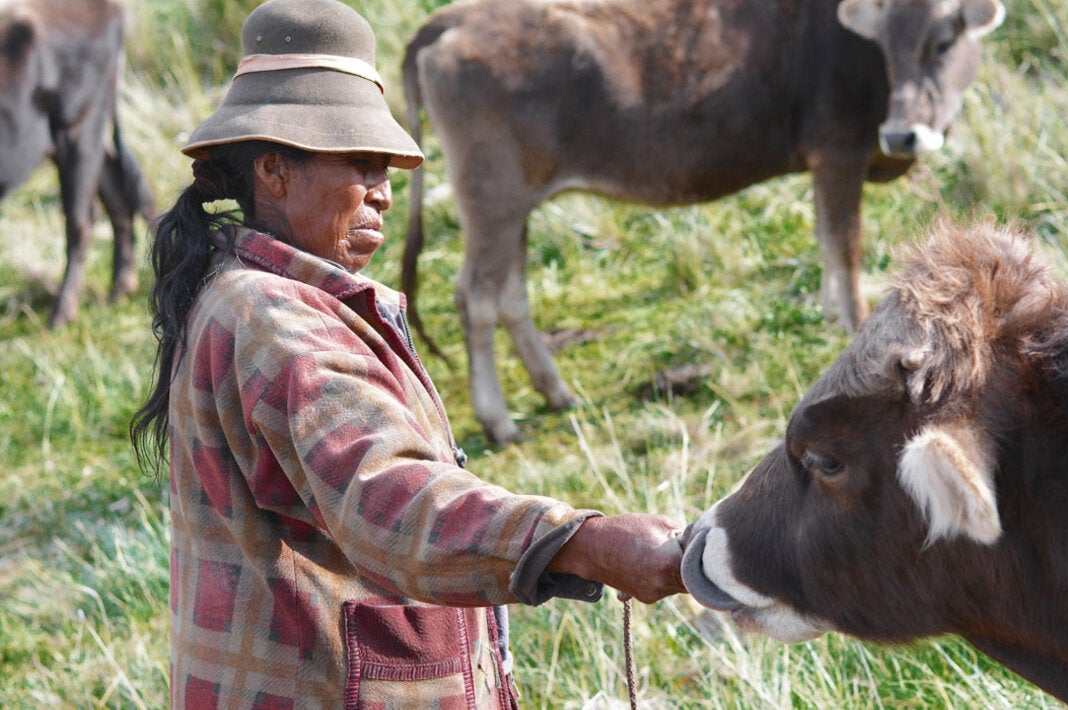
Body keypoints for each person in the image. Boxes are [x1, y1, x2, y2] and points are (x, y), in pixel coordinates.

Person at [127, 0, 685, 706]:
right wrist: (581, 541)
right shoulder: (273, 320)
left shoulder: (246, 296)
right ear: (273, 170)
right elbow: (388, 497)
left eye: (389, 168)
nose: (387, 194)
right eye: (362, 163)